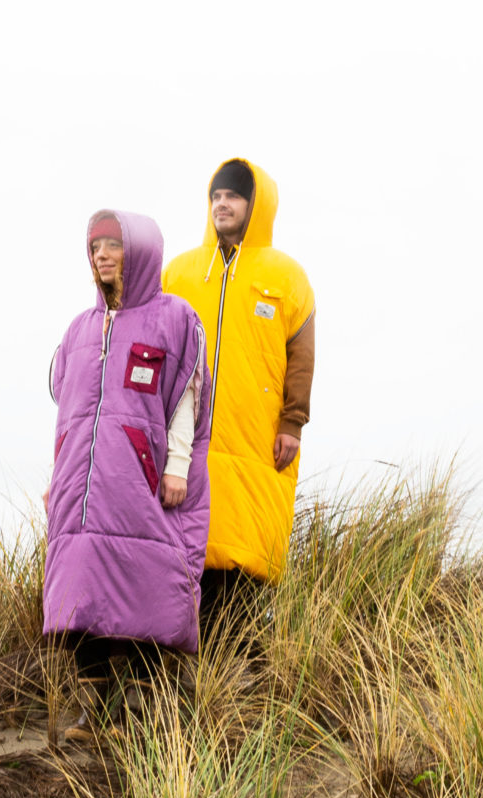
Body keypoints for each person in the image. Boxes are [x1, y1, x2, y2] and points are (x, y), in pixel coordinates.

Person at [44, 210, 210, 741]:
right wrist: (58, 473)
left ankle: (136, 707)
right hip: (82, 486)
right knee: (80, 591)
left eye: (113, 246)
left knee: (143, 586)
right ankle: (92, 708)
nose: (102, 256)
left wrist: (177, 465)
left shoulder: (173, 318)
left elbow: (187, 397)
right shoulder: (79, 329)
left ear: (138, 252)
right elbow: (66, 409)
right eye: (95, 248)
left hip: (140, 482)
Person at [162, 158, 316, 635]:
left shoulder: (286, 277)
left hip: (257, 437)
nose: (222, 204)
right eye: (217, 196)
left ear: (256, 204)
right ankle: (181, 653)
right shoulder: (180, 273)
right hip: (185, 439)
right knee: (183, 551)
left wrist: (292, 422)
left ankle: (238, 656)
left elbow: (302, 356)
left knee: (244, 556)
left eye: (233, 196)